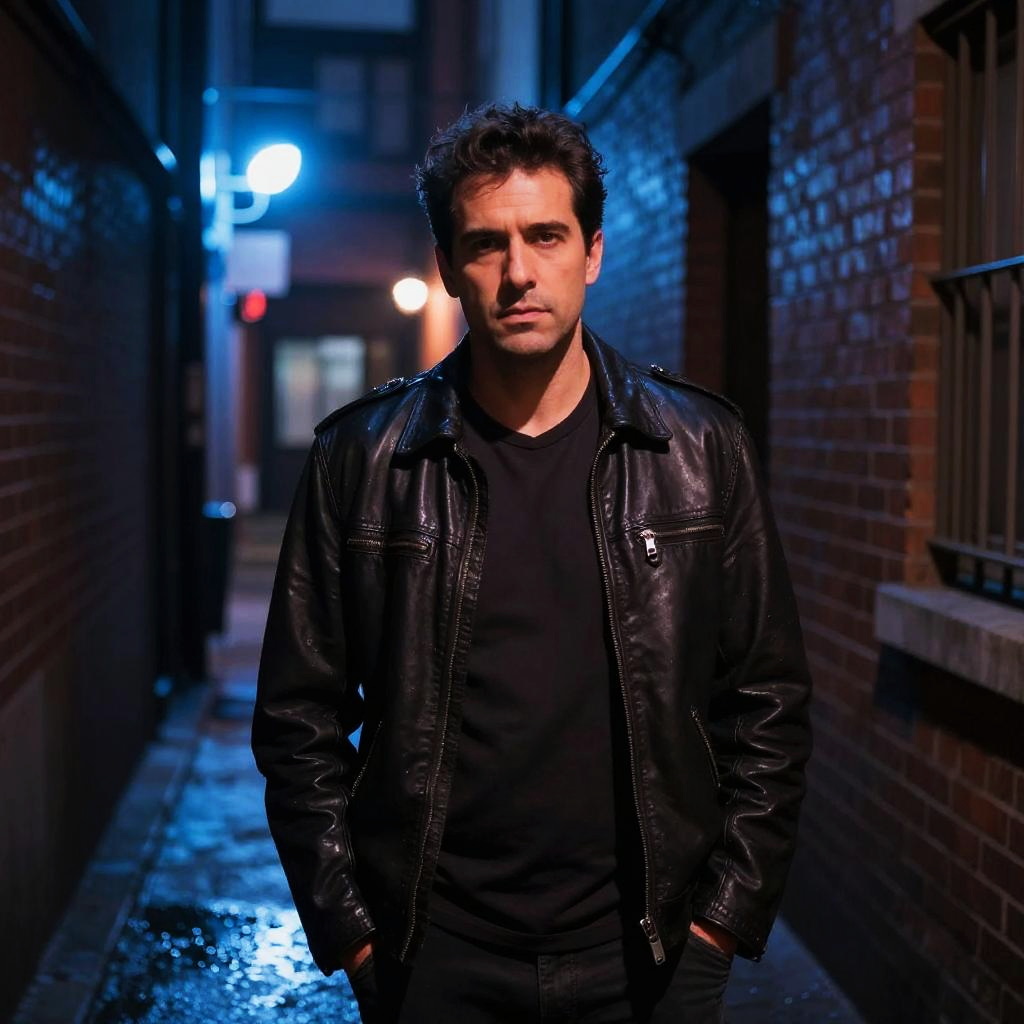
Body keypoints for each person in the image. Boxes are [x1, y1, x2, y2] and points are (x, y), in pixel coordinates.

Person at [252, 103, 812, 1023]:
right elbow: (297, 717)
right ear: (446, 267)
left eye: (546, 236)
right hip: (430, 958)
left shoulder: (701, 447)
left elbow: (769, 702)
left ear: (591, 252)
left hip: (648, 956)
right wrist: (351, 930)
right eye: (485, 244)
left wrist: (721, 922)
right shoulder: (364, 458)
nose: (519, 273)